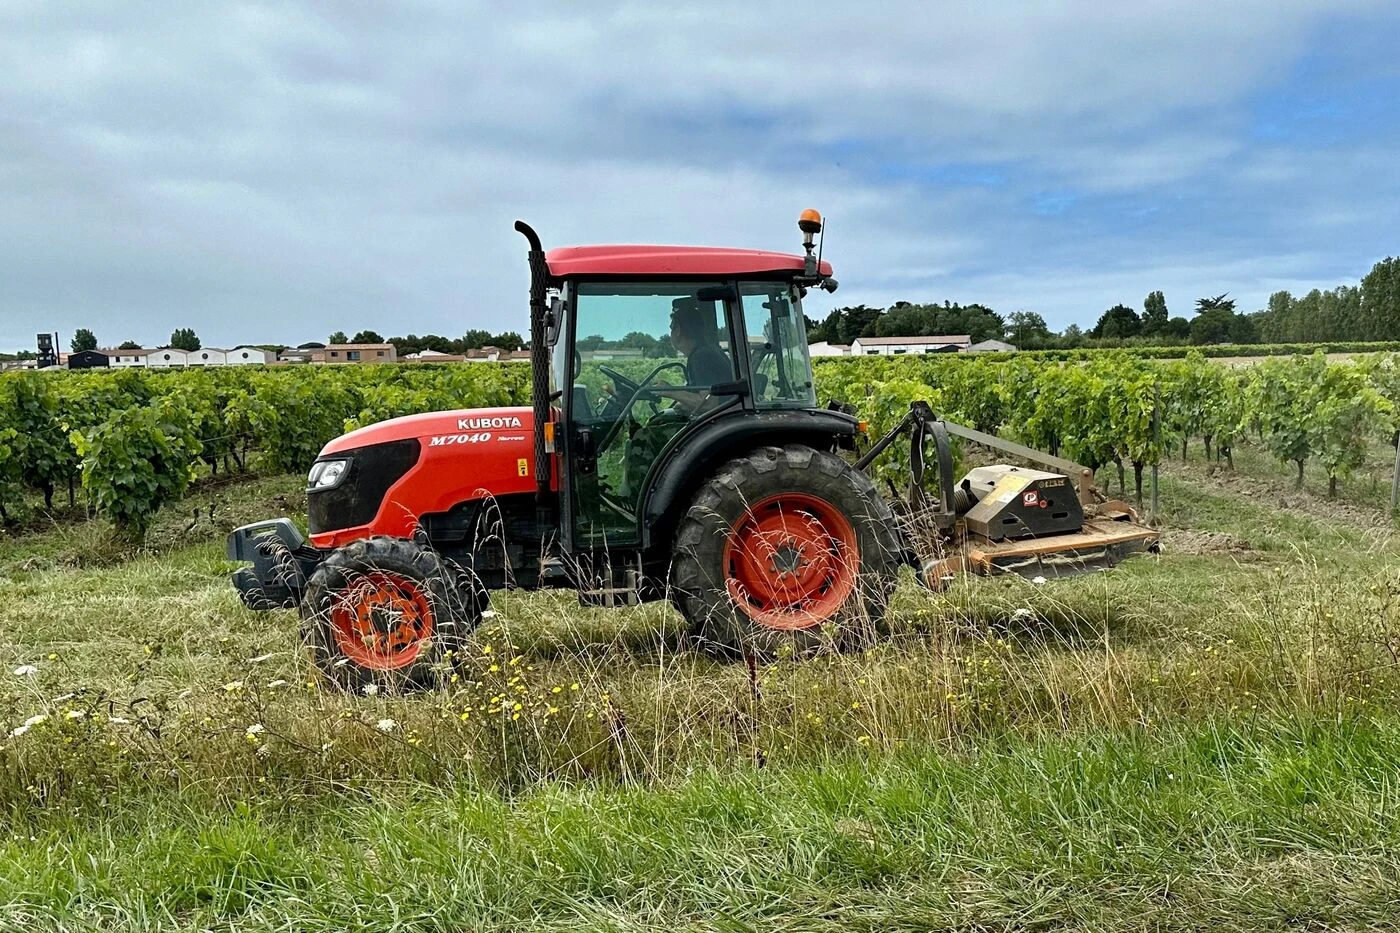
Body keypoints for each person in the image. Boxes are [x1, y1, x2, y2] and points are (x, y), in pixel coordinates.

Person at [669, 298, 733, 385]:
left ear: (678, 331)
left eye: (672, 328)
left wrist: (667, 391)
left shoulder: (701, 358)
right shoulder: (707, 352)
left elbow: (707, 398)